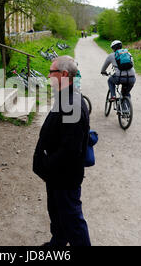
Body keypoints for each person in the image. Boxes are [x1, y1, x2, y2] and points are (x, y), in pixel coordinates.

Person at [33, 56, 91, 247]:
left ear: (64, 74)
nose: (48, 75)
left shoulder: (72, 103)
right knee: (57, 213)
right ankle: (57, 244)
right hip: (57, 174)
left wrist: (47, 166)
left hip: (64, 176)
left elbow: (70, 150)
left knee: (72, 219)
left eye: (51, 72)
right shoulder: (65, 96)